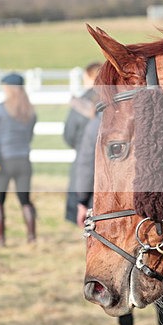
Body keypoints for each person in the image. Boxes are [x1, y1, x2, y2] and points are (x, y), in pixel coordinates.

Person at [73, 113, 163, 325]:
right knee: (158, 265)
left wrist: (82, 201)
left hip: (109, 211)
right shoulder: (138, 122)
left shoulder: (99, 124)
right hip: (142, 207)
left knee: (113, 270)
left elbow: (85, 165)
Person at [0, 73, 37, 246]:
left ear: (8, 89)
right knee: (25, 201)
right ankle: (32, 239)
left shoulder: (0, 110)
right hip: (24, 161)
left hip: (3, 162)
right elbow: (30, 136)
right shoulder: (30, 112)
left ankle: (0, 239)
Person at [64, 62, 101, 224]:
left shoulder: (80, 103)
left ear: (88, 77)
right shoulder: (115, 100)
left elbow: (68, 135)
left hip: (83, 163)